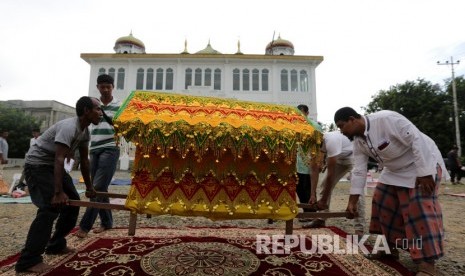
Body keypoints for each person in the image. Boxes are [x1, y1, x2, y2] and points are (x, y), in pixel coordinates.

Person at [334, 107, 447, 276]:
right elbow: (359, 170)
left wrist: (424, 172)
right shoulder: (358, 142)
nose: (342, 132)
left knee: (418, 208)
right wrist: (352, 201)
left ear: (352, 119)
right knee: (381, 200)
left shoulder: (386, 119)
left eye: (342, 126)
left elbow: (416, 139)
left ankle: (427, 264)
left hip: (422, 163)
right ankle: (389, 249)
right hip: (394, 170)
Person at [15, 96, 101, 273]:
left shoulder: (85, 131)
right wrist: (57, 192)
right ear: (86, 111)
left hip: (52, 165)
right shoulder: (69, 127)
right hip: (38, 165)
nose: (101, 113)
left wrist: (89, 187)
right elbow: (59, 158)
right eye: (98, 109)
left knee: (72, 204)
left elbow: (84, 161)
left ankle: (55, 244)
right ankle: (28, 260)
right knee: (49, 207)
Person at [76, 74, 121, 238]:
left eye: (108, 86)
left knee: (98, 187)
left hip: (110, 146)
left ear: (112, 87)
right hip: (94, 147)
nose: (106, 89)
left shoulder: (119, 104)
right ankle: (107, 222)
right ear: (98, 87)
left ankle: (85, 226)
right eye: (102, 87)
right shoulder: (93, 104)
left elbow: (121, 125)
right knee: (101, 188)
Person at [303, 131, 366, 237]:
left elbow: (330, 176)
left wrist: (323, 200)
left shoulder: (331, 140)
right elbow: (314, 170)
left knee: (357, 190)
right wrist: (312, 194)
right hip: (340, 158)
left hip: (353, 156)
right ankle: (321, 218)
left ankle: (359, 229)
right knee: (324, 185)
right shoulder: (313, 146)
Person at [295, 104, 314, 222]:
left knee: (309, 190)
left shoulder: (313, 126)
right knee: (300, 190)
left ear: (307, 113)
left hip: (308, 165)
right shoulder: (294, 127)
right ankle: (306, 213)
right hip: (297, 165)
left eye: (302, 113)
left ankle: (312, 214)